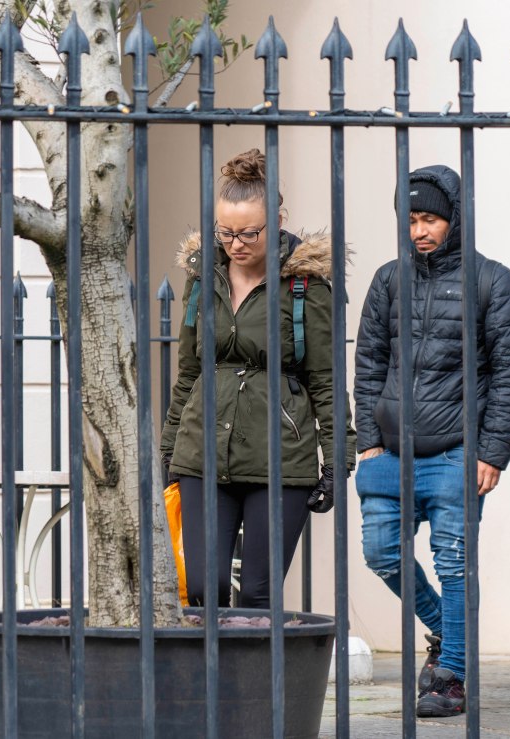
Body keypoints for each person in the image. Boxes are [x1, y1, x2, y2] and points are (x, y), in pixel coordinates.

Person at [353, 164, 510, 718]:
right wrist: (367, 442)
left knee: (452, 563)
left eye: (430, 219)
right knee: (381, 553)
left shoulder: (492, 282)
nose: (419, 230)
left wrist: (491, 452)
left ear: (455, 220)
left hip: (457, 450)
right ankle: (446, 633)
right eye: (411, 219)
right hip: (390, 450)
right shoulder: (387, 280)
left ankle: (452, 675)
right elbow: (368, 363)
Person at [160, 148, 355, 609]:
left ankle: (254, 683)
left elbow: (326, 378)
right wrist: (170, 449)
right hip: (203, 451)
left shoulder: (307, 288)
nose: (236, 243)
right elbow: (189, 371)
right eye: (225, 232)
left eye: (249, 232)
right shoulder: (201, 280)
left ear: (278, 219)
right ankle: (210, 682)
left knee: (257, 594)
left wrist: (337, 460)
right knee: (203, 589)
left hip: (280, 459)